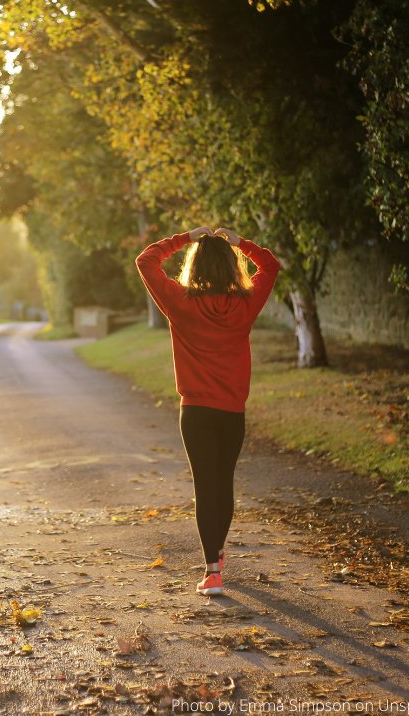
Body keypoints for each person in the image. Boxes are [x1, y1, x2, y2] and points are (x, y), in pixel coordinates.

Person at [135, 226, 281, 596]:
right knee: (223, 483)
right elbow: (271, 265)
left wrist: (185, 237)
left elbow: (146, 260)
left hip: (196, 413)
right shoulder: (246, 304)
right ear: (232, 267)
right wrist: (240, 243)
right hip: (231, 412)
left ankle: (212, 570)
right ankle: (216, 554)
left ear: (194, 267)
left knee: (205, 486)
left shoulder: (180, 302)